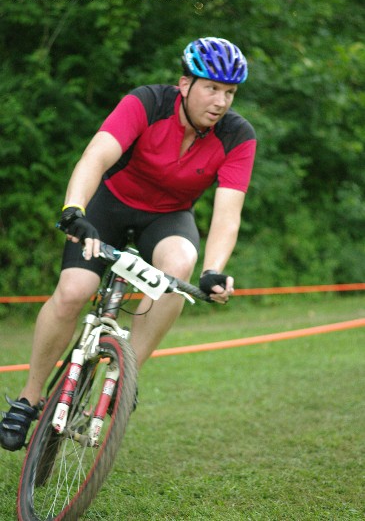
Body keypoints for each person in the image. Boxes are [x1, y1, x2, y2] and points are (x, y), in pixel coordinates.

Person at [0, 37, 257, 451]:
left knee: (180, 264)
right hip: (112, 205)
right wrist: (74, 209)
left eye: (229, 92)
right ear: (185, 84)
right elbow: (96, 157)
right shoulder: (147, 103)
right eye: (212, 88)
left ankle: (125, 375)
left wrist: (214, 269)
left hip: (169, 216)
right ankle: (29, 399)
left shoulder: (237, 135)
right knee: (73, 292)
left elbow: (228, 213)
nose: (221, 101)